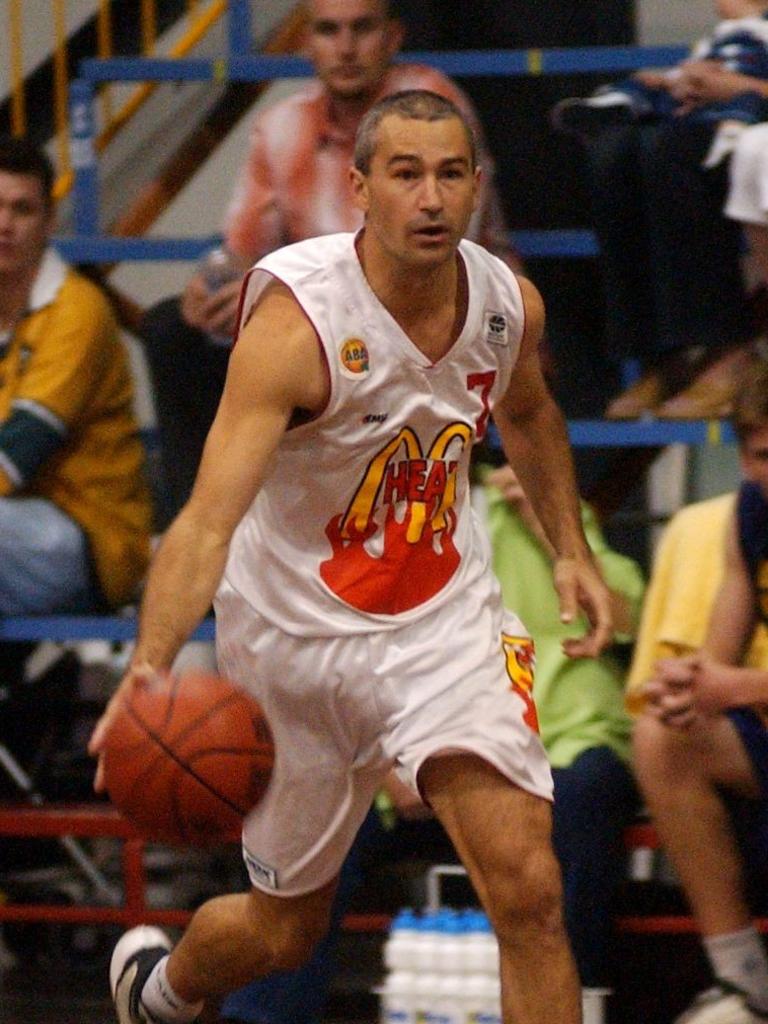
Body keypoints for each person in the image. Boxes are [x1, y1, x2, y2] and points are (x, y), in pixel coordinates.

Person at [89, 90, 613, 1024]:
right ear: (361, 189)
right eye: (406, 174)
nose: (430, 198)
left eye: (451, 174)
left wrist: (569, 547)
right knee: (284, 930)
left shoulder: (504, 306)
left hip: (443, 626)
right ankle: (163, 992)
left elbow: (529, 414)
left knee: (530, 891)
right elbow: (207, 519)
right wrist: (152, 664)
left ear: (475, 187)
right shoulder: (296, 329)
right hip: (295, 649)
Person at [141, 0, 518, 523]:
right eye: (328, 30)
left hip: (437, 316)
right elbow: (242, 250)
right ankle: (202, 527)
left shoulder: (431, 109)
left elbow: (438, 257)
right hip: (324, 326)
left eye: (362, 29)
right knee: (174, 330)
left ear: (393, 37)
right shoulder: (281, 126)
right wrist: (214, 282)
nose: (345, 47)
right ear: (306, 43)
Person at [550, 0, 768, 420]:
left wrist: (739, 88)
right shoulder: (727, 37)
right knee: (612, 155)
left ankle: (728, 348)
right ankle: (660, 353)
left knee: (668, 152)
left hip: (747, 122)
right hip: (709, 115)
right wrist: (674, 83)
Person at [632, 360, 768, 1023]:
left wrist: (736, 685)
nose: (764, 474)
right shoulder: (751, 512)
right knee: (663, 734)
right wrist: (691, 684)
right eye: (758, 456)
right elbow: (722, 646)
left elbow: (735, 681)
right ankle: (744, 982)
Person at [479, 462, 643, 989]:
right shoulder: (465, 521)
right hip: (478, 742)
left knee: (584, 792)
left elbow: (624, 617)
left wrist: (550, 531)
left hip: (582, 742)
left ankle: (576, 996)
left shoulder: (587, 540)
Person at [0, 136, 152, 686]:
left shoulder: (77, 310)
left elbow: (13, 459)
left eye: (23, 209)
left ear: (49, 221)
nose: (5, 225)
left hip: (89, 540)